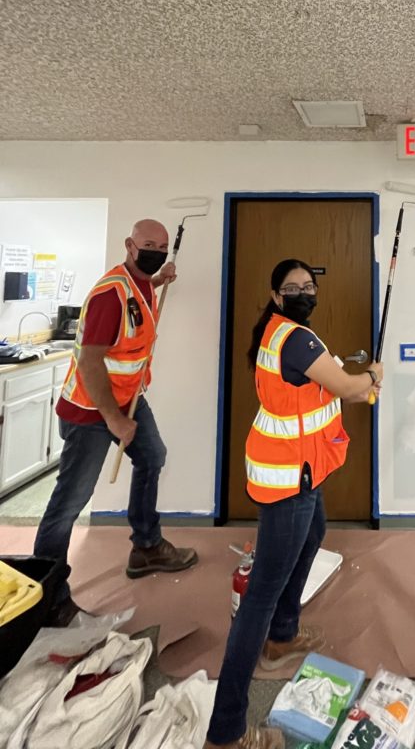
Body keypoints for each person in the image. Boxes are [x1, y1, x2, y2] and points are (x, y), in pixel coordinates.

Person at [204, 258, 384, 749]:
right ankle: (227, 732)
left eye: (309, 285)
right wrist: (370, 377)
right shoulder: (296, 339)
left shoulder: (281, 332)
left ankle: (282, 634)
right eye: (293, 287)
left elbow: (323, 388)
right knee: (259, 596)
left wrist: (361, 377)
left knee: (315, 536)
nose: (303, 292)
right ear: (278, 295)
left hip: (303, 467)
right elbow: (346, 388)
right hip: (289, 477)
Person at [34, 219, 198, 626]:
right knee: (70, 502)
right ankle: (45, 595)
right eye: (148, 245)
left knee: (152, 457)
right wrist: (112, 420)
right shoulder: (110, 294)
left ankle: (146, 546)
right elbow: (91, 362)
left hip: (127, 399)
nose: (156, 250)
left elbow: (137, 304)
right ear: (129, 245)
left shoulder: (139, 281)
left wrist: (159, 279)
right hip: (92, 410)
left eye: (162, 246)